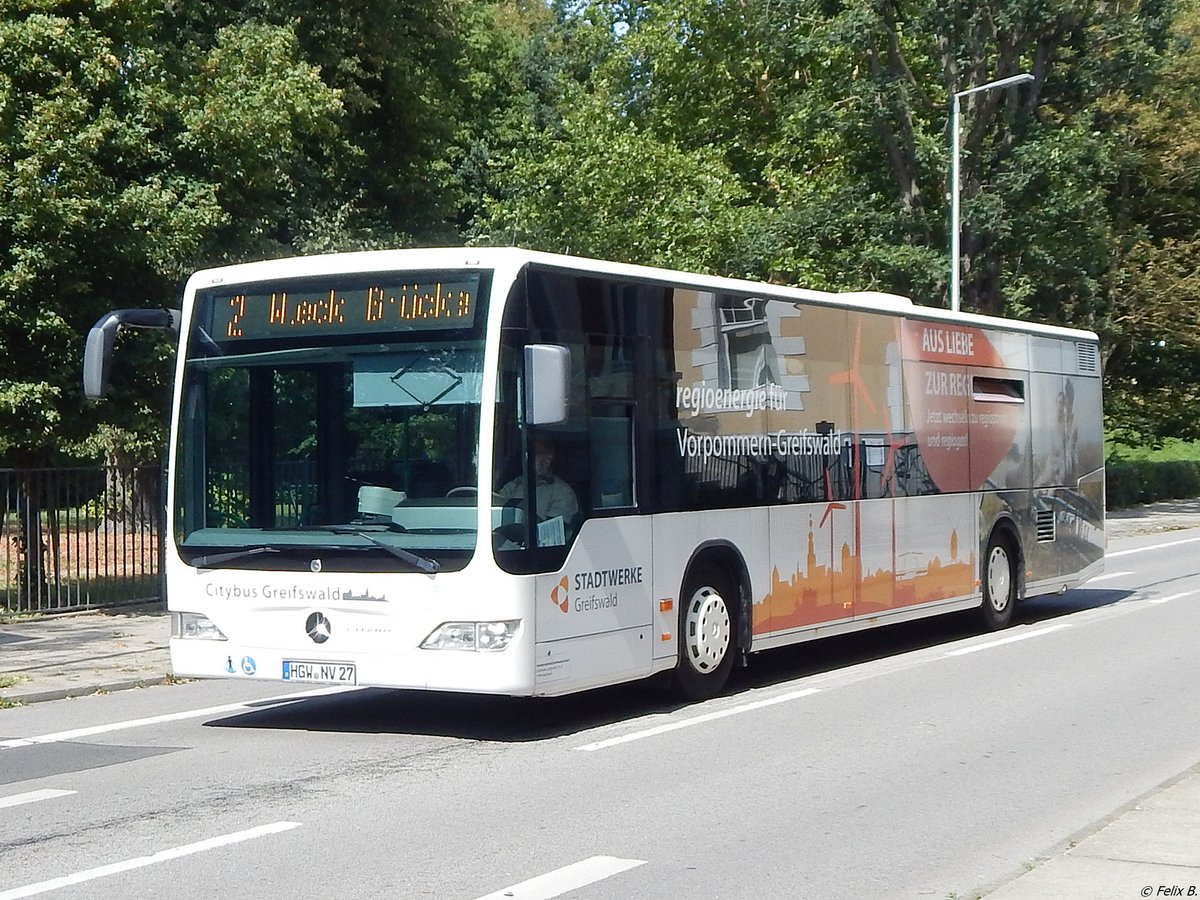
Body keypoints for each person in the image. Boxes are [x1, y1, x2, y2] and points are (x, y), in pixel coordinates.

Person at [497, 436, 579, 526]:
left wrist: (524, 512)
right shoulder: (515, 484)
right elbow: (497, 508)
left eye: (550, 454)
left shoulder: (563, 491)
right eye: (541, 453)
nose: (548, 459)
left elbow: (552, 533)